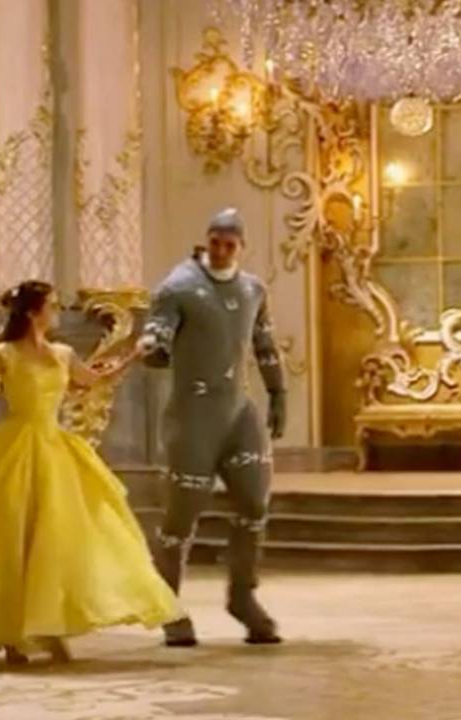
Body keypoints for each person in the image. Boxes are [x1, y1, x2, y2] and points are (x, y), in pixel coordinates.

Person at [0, 279, 181, 664]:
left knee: (56, 538)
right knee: (13, 538)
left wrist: (131, 357)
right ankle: (11, 632)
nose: (56, 311)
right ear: (31, 312)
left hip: (56, 449)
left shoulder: (63, 353)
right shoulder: (4, 354)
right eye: (51, 305)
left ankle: (51, 626)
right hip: (17, 450)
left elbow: (93, 381)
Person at [138, 207, 287, 647]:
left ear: (242, 247)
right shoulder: (178, 287)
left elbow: (264, 341)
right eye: (215, 242)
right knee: (181, 515)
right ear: (206, 240)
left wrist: (278, 390)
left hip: (238, 412)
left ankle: (243, 596)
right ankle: (168, 606)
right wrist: (155, 346)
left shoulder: (253, 289)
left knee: (254, 502)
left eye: (230, 244)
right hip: (194, 416)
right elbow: (159, 329)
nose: (221, 251)